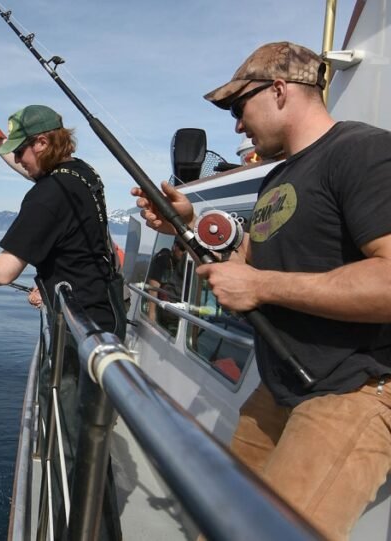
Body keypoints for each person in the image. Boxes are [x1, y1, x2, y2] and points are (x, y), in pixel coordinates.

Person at [133, 41, 391, 540]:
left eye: (238, 107)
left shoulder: (363, 152)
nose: (235, 125)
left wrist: (260, 285)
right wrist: (185, 225)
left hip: (353, 390)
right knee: (222, 524)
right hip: (280, 387)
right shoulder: (278, 177)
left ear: (279, 90)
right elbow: (247, 262)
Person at [0, 104, 125, 539]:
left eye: (19, 152)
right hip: (104, 314)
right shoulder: (81, 173)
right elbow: (35, 174)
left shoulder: (47, 194)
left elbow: (4, 271)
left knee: (78, 445)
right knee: (86, 437)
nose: (18, 163)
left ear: (42, 143)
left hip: (79, 332)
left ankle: (85, 529)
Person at [145, 239, 186, 331]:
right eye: (182, 249)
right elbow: (153, 288)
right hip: (163, 306)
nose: (184, 253)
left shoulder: (184, 264)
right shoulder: (163, 259)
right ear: (175, 247)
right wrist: (151, 315)